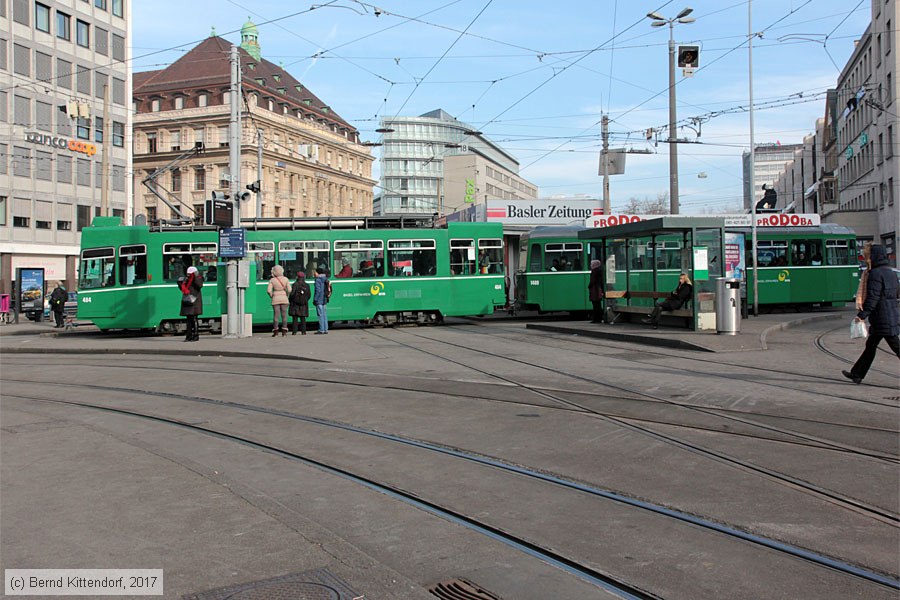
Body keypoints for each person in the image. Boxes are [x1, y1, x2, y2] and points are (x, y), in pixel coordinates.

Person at [842, 245, 900, 384]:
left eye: (868, 255)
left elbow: (873, 297)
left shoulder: (875, 274)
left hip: (882, 317)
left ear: (874, 256)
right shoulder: (890, 272)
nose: (866, 258)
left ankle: (857, 373)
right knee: (871, 346)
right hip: (889, 314)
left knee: (896, 347)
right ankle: (857, 374)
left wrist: (862, 315)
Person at [179, 266, 203, 342]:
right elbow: (182, 288)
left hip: (195, 301)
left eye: (190, 273)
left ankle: (195, 336)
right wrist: (180, 283)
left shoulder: (198, 278)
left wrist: (195, 276)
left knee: (194, 319)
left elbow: (199, 285)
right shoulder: (187, 279)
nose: (188, 275)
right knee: (189, 320)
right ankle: (189, 336)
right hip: (188, 300)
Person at [267, 264, 291, 337]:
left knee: (276, 316)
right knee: (284, 316)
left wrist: (272, 295)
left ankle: (276, 331)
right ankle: (284, 332)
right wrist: (287, 295)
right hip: (284, 298)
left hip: (275, 299)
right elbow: (289, 289)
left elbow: (268, 290)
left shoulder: (272, 280)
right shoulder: (286, 279)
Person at [855, 242, 872, 311]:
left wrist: (862, 314)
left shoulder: (872, 272)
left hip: (881, 314)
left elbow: (873, 297)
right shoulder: (867, 272)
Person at [313, 267, 330, 334]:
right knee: (324, 314)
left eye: (315, 272)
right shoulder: (325, 279)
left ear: (318, 273)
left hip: (319, 299)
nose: (314, 273)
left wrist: (315, 299)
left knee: (320, 314)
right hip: (324, 299)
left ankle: (321, 329)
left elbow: (318, 290)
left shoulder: (318, 280)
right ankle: (326, 329)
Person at [587, 259, 603, 324]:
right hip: (598, 289)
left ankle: (596, 319)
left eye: (592, 264)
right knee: (598, 305)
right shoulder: (600, 271)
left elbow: (592, 281)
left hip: (594, 290)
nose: (591, 265)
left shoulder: (594, 272)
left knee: (595, 305)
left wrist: (589, 286)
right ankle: (599, 318)